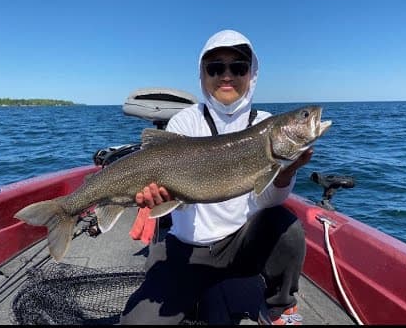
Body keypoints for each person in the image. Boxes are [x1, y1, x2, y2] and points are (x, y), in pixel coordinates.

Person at [120, 29, 312, 325]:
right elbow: (175, 199)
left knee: (286, 225)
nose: (226, 75)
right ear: (202, 74)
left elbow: (268, 199)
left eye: (238, 67)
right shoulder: (185, 121)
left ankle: (279, 306)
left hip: (239, 245)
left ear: (252, 74)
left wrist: (284, 174)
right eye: (215, 67)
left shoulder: (263, 124)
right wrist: (159, 197)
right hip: (185, 249)